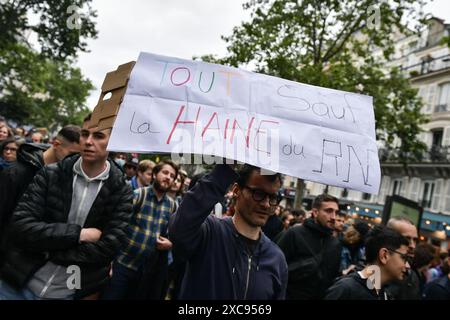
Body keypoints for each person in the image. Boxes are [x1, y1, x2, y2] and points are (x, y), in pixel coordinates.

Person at [0, 116, 133, 300]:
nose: (88, 141)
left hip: (67, 292)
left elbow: (108, 249)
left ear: (113, 142)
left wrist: (45, 247)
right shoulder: (51, 173)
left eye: (98, 136)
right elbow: (21, 227)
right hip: (16, 285)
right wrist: (80, 235)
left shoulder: (121, 191)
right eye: (85, 134)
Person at [169, 164, 288, 299]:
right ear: (236, 190)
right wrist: (225, 170)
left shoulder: (277, 258)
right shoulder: (209, 232)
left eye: (272, 197)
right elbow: (179, 229)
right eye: (258, 194)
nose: (266, 204)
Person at [0, 125, 82, 263]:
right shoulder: (15, 173)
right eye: (72, 154)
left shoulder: (66, 178)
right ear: (56, 144)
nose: (75, 160)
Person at [103, 160, 178, 300]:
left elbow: (171, 236)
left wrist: (169, 244)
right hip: (122, 265)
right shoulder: (138, 195)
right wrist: (110, 262)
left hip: (146, 272)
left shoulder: (172, 206)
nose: (168, 177)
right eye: (165, 172)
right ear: (155, 174)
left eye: (172, 176)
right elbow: (116, 227)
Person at [277, 194, 342, 300]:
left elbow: (331, 277)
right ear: (315, 212)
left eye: (336, 212)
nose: (334, 217)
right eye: (329, 211)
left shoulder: (335, 244)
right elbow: (275, 268)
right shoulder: (295, 233)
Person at [325, 225, 410, 300]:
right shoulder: (345, 289)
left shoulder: (384, 295)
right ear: (384, 255)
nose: (407, 265)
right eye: (404, 258)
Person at [385, 216, 421, 299]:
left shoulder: (412, 277)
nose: (412, 245)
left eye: (415, 240)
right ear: (389, 238)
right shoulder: (368, 271)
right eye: (407, 239)